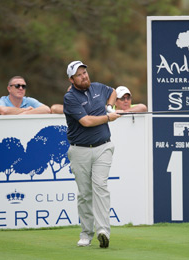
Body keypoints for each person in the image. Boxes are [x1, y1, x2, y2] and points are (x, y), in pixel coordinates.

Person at [63, 61, 121, 248]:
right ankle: (86, 233)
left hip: (103, 147)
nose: (84, 76)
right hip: (79, 150)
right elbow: (86, 121)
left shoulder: (97, 88)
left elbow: (113, 91)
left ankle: (103, 231)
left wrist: (110, 106)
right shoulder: (70, 98)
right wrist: (108, 117)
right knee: (85, 194)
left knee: (100, 187)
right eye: (79, 75)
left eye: (85, 72)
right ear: (71, 79)